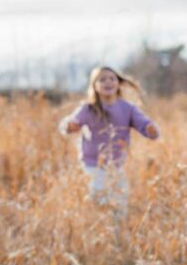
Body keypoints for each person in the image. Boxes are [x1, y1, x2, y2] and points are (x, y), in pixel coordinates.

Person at [59, 66, 159, 210]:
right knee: (98, 199)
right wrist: (70, 126)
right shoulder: (88, 109)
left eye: (112, 79)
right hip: (92, 165)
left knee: (120, 202)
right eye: (102, 79)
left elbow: (143, 123)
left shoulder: (128, 108)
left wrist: (151, 129)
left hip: (117, 165)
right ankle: (99, 222)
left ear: (118, 83)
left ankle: (117, 230)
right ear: (94, 86)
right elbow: (70, 122)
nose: (108, 82)